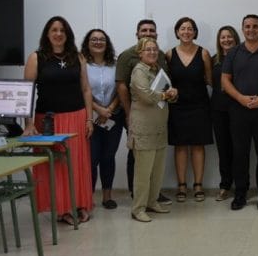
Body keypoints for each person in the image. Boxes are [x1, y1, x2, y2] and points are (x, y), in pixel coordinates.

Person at [23, 16, 94, 225]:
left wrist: (89, 119)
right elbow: (26, 93)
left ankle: (79, 204)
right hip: (48, 122)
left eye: (62, 30)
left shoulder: (78, 57)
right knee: (56, 166)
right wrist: (28, 124)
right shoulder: (36, 58)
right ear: (47, 33)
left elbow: (86, 89)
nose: (58, 33)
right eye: (54, 30)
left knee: (76, 165)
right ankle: (62, 209)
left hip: (76, 118)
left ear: (67, 34)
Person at [221, 14, 258, 210]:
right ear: (242, 29)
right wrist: (240, 98)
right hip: (238, 111)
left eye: (255, 26)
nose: (251, 30)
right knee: (240, 154)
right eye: (247, 26)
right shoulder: (233, 53)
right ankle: (240, 194)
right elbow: (225, 80)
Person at [115, 19, 171, 205]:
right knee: (140, 162)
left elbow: (164, 82)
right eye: (144, 30)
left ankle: (152, 199)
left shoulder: (159, 57)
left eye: (151, 30)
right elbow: (124, 87)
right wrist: (128, 113)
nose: (148, 33)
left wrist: (171, 93)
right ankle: (138, 200)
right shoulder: (129, 59)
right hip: (139, 116)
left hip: (157, 119)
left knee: (155, 163)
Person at [128, 37, 178, 222]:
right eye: (148, 49)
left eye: (155, 49)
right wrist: (166, 94)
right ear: (140, 53)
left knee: (157, 171)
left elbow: (167, 94)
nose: (152, 52)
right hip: (144, 130)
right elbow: (147, 96)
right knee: (143, 173)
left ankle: (152, 201)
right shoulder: (138, 71)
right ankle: (138, 208)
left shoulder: (158, 70)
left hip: (159, 128)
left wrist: (173, 93)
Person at [166, 16, 213, 202]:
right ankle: (182, 185)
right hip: (177, 107)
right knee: (180, 147)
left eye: (190, 29)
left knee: (198, 146)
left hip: (200, 106)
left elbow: (209, 80)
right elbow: (166, 82)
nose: (186, 32)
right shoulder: (169, 54)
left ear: (195, 32)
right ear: (177, 32)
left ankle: (198, 185)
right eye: (182, 29)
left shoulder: (204, 53)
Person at [81, 28, 123, 209]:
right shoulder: (82, 64)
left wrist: (110, 109)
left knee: (108, 156)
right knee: (91, 159)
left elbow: (121, 89)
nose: (98, 42)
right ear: (87, 43)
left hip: (114, 117)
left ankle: (107, 197)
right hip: (90, 117)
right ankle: (88, 198)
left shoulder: (115, 64)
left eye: (101, 39)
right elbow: (82, 90)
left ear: (107, 43)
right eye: (94, 39)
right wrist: (99, 110)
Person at [212, 25, 240, 201]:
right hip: (218, 110)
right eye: (223, 37)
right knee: (223, 150)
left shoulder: (242, 58)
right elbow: (210, 80)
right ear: (219, 40)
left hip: (238, 108)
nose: (226, 40)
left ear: (235, 38)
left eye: (229, 37)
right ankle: (225, 185)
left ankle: (241, 185)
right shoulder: (214, 60)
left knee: (239, 149)